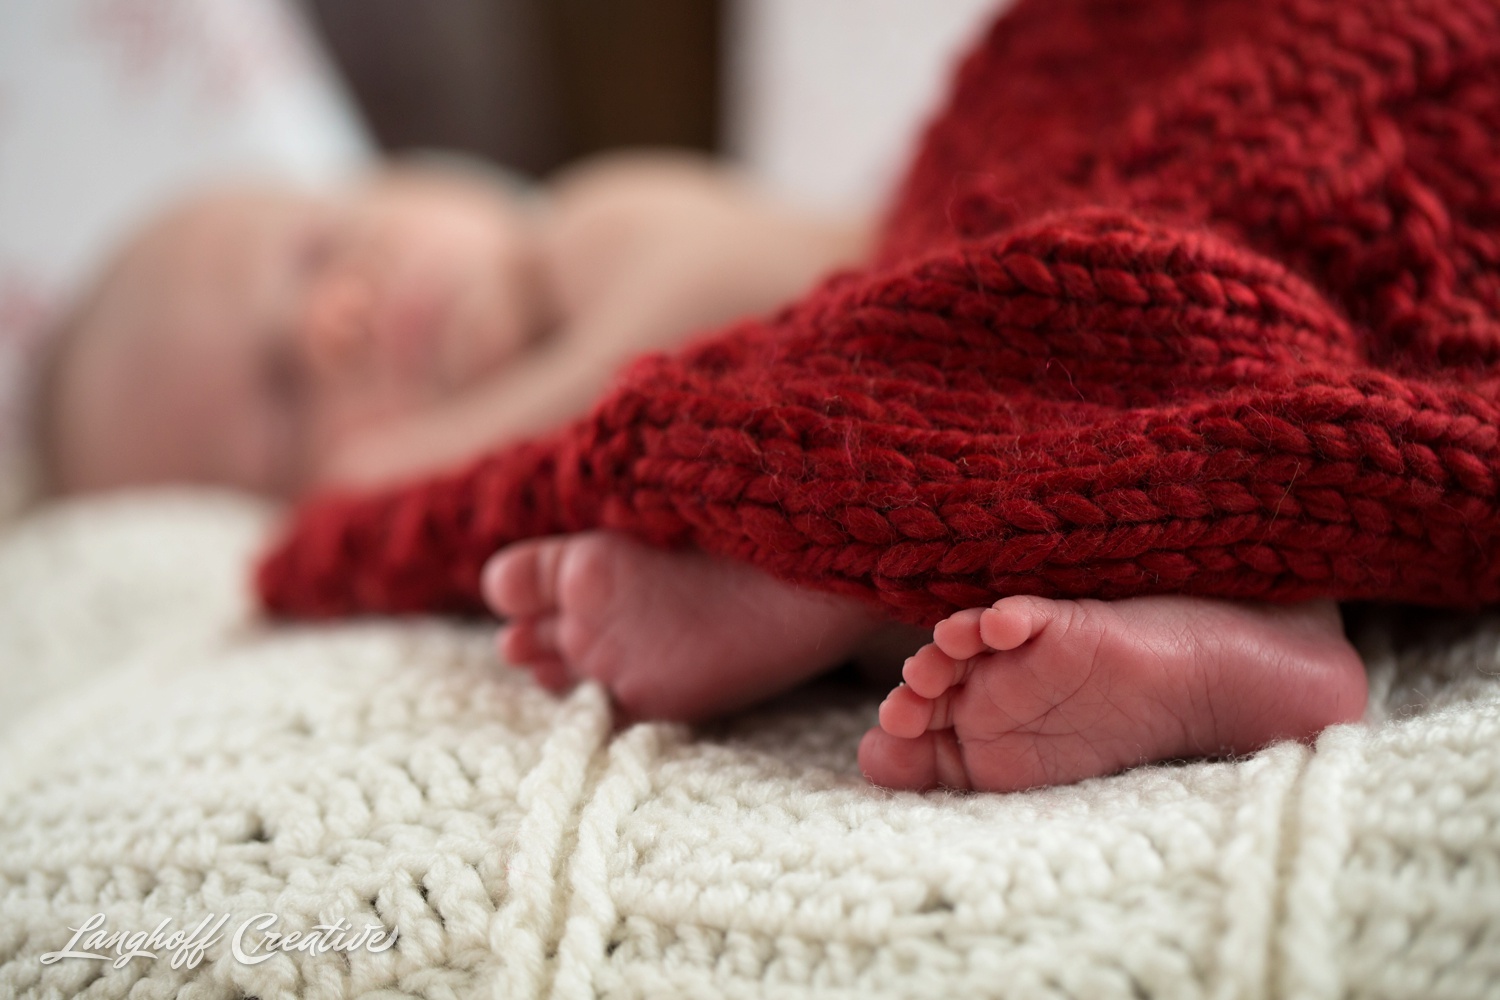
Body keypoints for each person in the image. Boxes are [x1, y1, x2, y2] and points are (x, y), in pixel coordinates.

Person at [44, 150, 1367, 797]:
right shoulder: (492, 540)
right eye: (283, 399)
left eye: (320, 244)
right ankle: (1233, 656)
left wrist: (430, 448)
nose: (339, 316)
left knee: (854, 434)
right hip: (1030, 477)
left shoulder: (586, 227)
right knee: (948, 632)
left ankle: (812, 593)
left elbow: (690, 316)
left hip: (1064, 320)